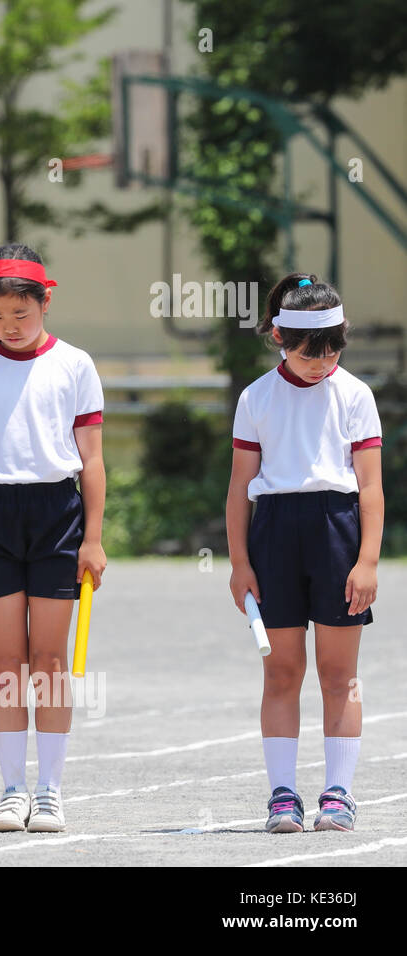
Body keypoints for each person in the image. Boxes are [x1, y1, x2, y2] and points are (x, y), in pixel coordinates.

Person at [0, 243, 106, 833]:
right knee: (6, 660)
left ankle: (50, 790)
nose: (10, 325)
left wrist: (92, 538)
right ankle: (12, 789)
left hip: (56, 514)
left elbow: (91, 460)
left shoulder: (75, 365)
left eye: (22, 313)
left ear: (46, 302)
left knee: (48, 659)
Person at [226, 273, 382, 833]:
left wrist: (366, 561)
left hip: (337, 533)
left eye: (332, 349)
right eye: (308, 352)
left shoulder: (356, 395)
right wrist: (240, 562)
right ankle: (283, 796)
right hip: (274, 534)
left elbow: (369, 488)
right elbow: (240, 486)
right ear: (278, 339)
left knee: (340, 675)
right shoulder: (255, 398)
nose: (321, 363)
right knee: (282, 672)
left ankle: (338, 794)